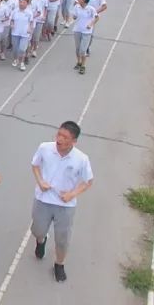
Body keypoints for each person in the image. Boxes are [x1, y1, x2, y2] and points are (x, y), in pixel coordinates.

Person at [30, 121, 95, 283]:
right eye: (59, 134)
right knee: (37, 229)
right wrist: (40, 181)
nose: (59, 139)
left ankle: (59, 264)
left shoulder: (81, 159)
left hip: (65, 205)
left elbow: (88, 181)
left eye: (65, 137)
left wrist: (72, 194)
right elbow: (35, 165)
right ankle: (41, 240)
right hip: (43, 199)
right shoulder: (45, 148)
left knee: (62, 238)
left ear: (74, 141)